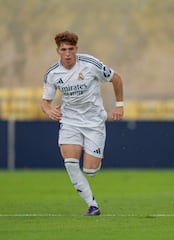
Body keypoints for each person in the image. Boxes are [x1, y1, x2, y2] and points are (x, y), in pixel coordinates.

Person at [41, 31, 124, 216]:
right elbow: (45, 102)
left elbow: (116, 78)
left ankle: (95, 159)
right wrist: (49, 110)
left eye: (71, 49)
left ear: (76, 49)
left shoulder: (90, 64)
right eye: (64, 49)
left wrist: (119, 106)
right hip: (70, 121)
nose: (68, 53)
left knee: (90, 170)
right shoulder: (53, 73)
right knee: (70, 163)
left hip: (94, 122)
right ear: (58, 51)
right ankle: (92, 206)